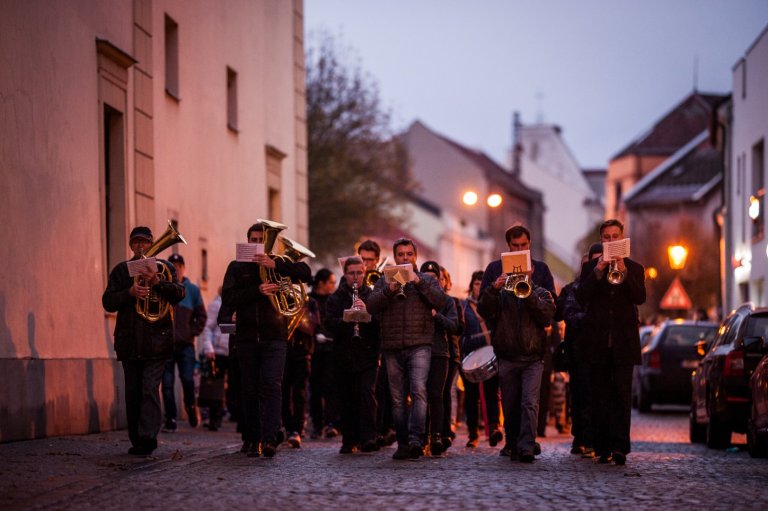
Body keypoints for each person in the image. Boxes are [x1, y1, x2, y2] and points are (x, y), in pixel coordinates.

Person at [221, 221, 311, 458]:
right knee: (248, 388)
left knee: (272, 386)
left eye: (262, 239)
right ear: (247, 241)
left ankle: (270, 439)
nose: (258, 244)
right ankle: (251, 439)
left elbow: (306, 274)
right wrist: (257, 290)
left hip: (275, 335)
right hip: (247, 336)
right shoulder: (236, 266)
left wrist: (276, 264)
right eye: (253, 240)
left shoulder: (279, 263)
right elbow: (229, 297)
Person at [102, 226, 185, 455]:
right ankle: (136, 439)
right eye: (136, 242)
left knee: (149, 389)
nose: (140, 246)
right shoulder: (121, 271)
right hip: (130, 342)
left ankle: (148, 438)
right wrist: (129, 293)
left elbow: (179, 294)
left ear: (151, 244)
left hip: (157, 341)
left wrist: (157, 282)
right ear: (131, 245)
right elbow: (107, 301)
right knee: (133, 392)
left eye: (145, 242)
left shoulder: (165, 268)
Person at [367, 238, 448, 460]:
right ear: (395, 257)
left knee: (419, 392)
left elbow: (441, 302)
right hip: (392, 346)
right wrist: (389, 290)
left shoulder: (425, 280)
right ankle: (403, 442)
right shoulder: (384, 280)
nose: (405, 258)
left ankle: (416, 439)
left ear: (415, 256)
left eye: (409, 254)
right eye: (401, 255)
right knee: (397, 398)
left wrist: (418, 283)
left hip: (420, 343)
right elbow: (371, 306)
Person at [480, 224, 555, 457]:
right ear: (508, 246)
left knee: (530, 403)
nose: (520, 249)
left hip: (533, 352)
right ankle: (512, 442)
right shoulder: (494, 269)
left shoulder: (541, 270)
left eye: (524, 245)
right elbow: (483, 308)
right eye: (515, 246)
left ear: (529, 244)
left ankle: (526, 445)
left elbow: (548, 314)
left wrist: (529, 287)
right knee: (510, 404)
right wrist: (495, 287)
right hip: (507, 350)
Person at [576, 219, 645, 465]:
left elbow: (640, 296)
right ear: (602, 239)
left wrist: (623, 271)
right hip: (597, 343)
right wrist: (598, 270)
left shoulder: (635, 268)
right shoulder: (590, 268)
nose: (611, 240)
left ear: (622, 238)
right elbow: (581, 296)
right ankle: (602, 447)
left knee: (622, 397)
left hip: (624, 343)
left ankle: (620, 448)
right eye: (607, 237)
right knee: (599, 397)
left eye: (615, 236)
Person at [326, 256, 381, 453]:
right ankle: (349, 439)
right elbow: (328, 324)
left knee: (366, 394)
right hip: (343, 355)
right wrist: (346, 318)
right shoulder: (336, 298)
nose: (355, 277)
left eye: (359, 273)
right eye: (351, 273)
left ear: (364, 274)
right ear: (345, 274)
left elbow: (380, 324)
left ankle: (368, 438)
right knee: (346, 397)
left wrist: (367, 314)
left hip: (367, 355)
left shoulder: (373, 296)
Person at [555, 246, 602, 458]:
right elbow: (566, 313)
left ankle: (595, 438)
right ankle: (581, 437)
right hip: (579, 350)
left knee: (597, 396)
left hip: (601, 348)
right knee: (580, 395)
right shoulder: (572, 288)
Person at [161, 253, 207, 432]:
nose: (176, 269)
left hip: (186, 345)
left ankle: (190, 406)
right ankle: (170, 418)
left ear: (183, 268)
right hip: (166, 345)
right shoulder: (163, 287)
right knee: (166, 383)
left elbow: (201, 316)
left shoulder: (193, 290)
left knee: (187, 380)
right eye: (172, 266)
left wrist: (191, 333)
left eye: (179, 266)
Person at [358, 239, 397, 447]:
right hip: (363, 342)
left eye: (369, 260)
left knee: (384, 387)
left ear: (377, 260)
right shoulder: (354, 279)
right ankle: (372, 431)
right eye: (362, 259)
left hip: (382, 338)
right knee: (369, 389)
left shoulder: (382, 279)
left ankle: (384, 429)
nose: (366, 264)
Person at [420, 261, 459, 456]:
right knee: (419, 395)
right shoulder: (416, 297)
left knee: (436, 394)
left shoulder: (447, 301)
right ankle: (420, 436)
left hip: (439, 352)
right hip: (418, 349)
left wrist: (437, 316)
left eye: (433, 278)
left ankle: (436, 434)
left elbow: (454, 326)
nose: (429, 281)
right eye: (425, 277)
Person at [460, 270, 503, 448]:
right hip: (469, 356)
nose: (479, 287)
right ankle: (472, 433)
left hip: (490, 355)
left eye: (481, 283)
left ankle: (493, 429)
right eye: (476, 284)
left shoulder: (492, 303)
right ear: (472, 286)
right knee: (471, 396)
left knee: (492, 393)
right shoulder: (464, 306)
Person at [282, 286, 320, 448]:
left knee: (300, 392)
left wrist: (299, 315)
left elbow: (313, 327)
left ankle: (296, 429)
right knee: (282, 392)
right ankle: (286, 425)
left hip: (302, 351)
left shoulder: (309, 302)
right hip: (282, 351)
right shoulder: (279, 299)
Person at [308, 268, 339, 439]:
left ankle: (330, 423)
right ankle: (317, 424)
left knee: (330, 387)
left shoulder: (332, 300)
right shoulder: (309, 299)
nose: (333, 286)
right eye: (331, 282)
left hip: (330, 349)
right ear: (321, 283)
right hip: (314, 349)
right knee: (315, 388)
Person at [439, 266, 464, 450]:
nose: (438, 281)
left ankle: (447, 428)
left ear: (447, 282)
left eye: (441, 278)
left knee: (447, 392)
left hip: (451, 353)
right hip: (436, 353)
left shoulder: (453, 302)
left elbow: (459, 327)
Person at [200, 286, 231, 432]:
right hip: (218, 351)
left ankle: (237, 417)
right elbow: (208, 327)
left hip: (234, 351)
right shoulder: (216, 305)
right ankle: (215, 419)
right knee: (215, 386)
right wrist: (208, 347)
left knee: (235, 385)